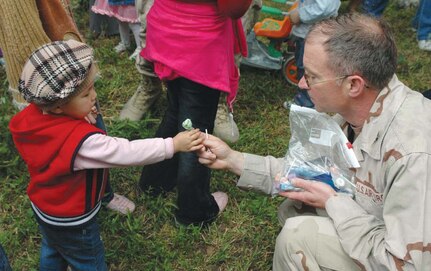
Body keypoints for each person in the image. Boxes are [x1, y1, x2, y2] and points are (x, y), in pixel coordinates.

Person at [198, 13, 431, 270]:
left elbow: (406, 264)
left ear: (353, 85)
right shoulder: (357, 110)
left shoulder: (412, 154)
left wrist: (334, 203)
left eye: (311, 76)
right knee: (295, 209)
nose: (301, 83)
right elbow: (308, 173)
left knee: (297, 236)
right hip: (381, 231)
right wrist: (234, 160)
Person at [9, 40, 204, 270]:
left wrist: (77, 116)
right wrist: (172, 144)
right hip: (74, 220)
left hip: (44, 209)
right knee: (88, 260)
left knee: (52, 248)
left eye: (92, 87)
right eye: (85, 95)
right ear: (59, 107)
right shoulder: (83, 144)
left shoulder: (29, 118)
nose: (94, 97)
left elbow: (56, 129)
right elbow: (126, 152)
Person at [137, 0, 251, 226]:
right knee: (195, 129)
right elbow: (234, 7)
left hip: (166, 27)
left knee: (176, 111)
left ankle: (155, 182)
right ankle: (194, 210)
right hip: (199, 41)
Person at [119, 0, 241, 144]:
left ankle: (219, 99)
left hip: (210, 30)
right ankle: (150, 85)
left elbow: (235, 9)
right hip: (173, 20)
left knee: (188, 116)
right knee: (181, 113)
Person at [282, 0, 341, 109]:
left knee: (307, 69)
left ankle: (305, 103)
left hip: (311, 35)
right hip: (310, 32)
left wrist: (300, 14)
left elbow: (324, 8)